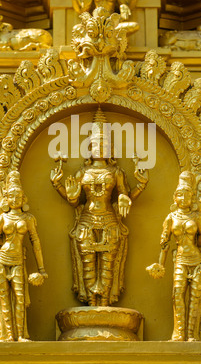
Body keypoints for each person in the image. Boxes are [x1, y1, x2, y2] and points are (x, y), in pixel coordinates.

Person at [51, 108, 148, 306]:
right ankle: (90, 303)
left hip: (109, 220)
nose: (100, 147)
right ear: (89, 147)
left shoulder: (116, 172)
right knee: (88, 265)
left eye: (105, 144)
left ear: (111, 148)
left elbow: (125, 196)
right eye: (95, 143)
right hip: (87, 221)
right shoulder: (82, 172)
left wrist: (140, 187)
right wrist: (59, 186)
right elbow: (75, 201)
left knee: (107, 265)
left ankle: (104, 303)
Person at [146, 171, 201, 341]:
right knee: (177, 294)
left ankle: (192, 334)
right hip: (180, 261)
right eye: (180, 195)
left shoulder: (196, 217)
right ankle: (179, 333)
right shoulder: (171, 218)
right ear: (174, 197)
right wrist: (160, 264)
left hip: (197, 260)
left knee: (195, 299)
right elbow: (164, 244)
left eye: (187, 195)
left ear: (192, 197)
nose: (183, 198)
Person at [0, 170, 48, 342]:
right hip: (1, 261)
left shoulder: (28, 218)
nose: (15, 200)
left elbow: (36, 243)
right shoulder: (2, 218)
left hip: (18, 261)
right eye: (11, 197)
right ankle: (9, 335)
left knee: (20, 298)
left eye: (18, 196)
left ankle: (20, 334)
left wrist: (41, 268)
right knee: (5, 300)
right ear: (6, 199)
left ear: (23, 198)